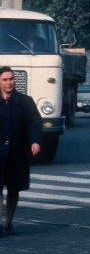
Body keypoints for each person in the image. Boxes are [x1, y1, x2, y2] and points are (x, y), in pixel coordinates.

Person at [0, 65, 42, 238]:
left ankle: (8, 222)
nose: (9, 82)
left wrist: (35, 141)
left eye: (11, 79)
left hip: (17, 151)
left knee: (13, 189)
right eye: (5, 79)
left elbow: (34, 123)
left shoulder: (26, 101)